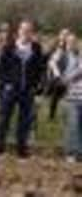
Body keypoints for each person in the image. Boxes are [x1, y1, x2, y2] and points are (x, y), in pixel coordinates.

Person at [0, 20, 45, 158]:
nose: (26, 33)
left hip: (27, 91)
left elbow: (40, 69)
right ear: (18, 31)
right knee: (3, 119)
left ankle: (21, 151)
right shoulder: (9, 47)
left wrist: (36, 87)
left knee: (24, 122)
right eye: (23, 30)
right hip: (10, 90)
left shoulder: (36, 48)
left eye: (29, 30)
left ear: (32, 33)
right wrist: (6, 83)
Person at [61, 33, 82, 163]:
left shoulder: (78, 57)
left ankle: (78, 152)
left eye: (74, 42)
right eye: (69, 42)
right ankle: (71, 152)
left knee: (79, 125)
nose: (72, 44)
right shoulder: (65, 58)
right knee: (73, 125)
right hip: (72, 96)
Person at [46, 28, 71, 121]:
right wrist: (49, 73)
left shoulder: (70, 46)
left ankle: (67, 115)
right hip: (56, 75)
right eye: (64, 34)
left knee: (66, 95)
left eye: (67, 34)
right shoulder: (54, 46)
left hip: (66, 74)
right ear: (60, 35)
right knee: (55, 96)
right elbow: (49, 60)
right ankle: (51, 115)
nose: (65, 36)